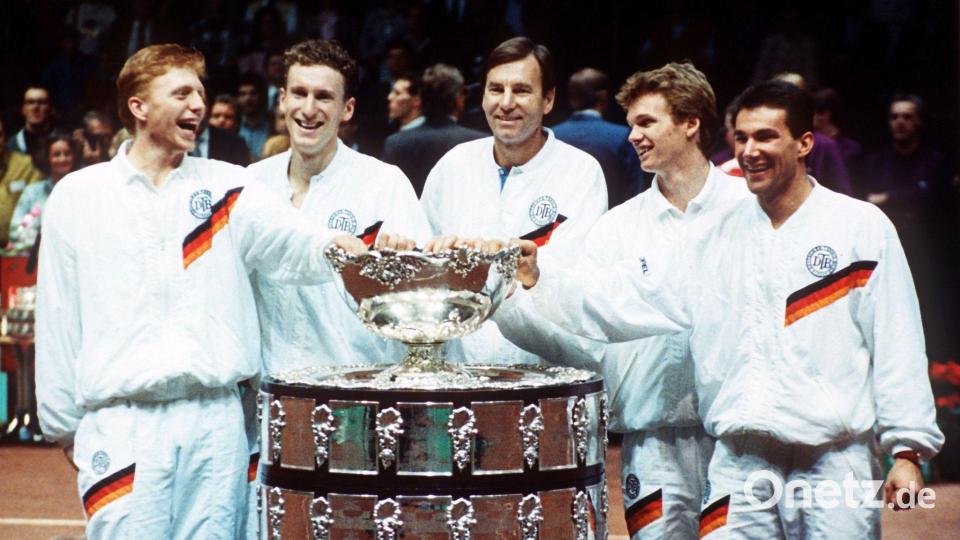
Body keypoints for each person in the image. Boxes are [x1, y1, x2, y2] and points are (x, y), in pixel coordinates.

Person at [509, 80, 943, 538]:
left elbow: (898, 340)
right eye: (742, 138)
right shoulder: (716, 234)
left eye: (766, 136)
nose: (750, 150)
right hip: (738, 459)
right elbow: (632, 302)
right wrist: (541, 279)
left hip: (835, 461)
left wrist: (907, 449)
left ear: (805, 143)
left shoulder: (859, 226)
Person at [34, 43, 368, 540]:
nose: (198, 105)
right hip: (122, 422)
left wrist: (341, 248)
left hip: (215, 420)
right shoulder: (80, 196)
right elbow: (58, 317)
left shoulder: (227, 188)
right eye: (182, 92)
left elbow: (294, 241)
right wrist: (64, 426)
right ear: (138, 106)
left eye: (201, 94)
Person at [489, 62, 748, 539]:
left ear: (690, 123)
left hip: (739, 443)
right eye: (630, 124)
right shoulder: (618, 227)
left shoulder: (748, 210)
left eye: (646, 123)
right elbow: (585, 333)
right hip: (651, 447)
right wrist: (520, 296)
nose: (632, 136)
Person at [248, 38, 430, 377]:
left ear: (347, 109)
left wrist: (402, 265)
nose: (308, 109)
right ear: (283, 99)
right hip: (269, 395)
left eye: (324, 97)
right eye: (299, 93)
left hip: (357, 395)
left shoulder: (383, 183)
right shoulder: (251, 186)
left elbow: (423, 301)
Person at [421, 36, 607, 365]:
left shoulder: (580, 173)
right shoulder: (453, 166)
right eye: (496, 89)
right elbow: (423, 275)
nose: (506, 103)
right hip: (461, 375)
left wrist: (500, 276)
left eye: (521, 90)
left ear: (548, 99)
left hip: (544, 373)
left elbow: (573, 290)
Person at [382, 63, 484, 196]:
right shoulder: (480, 143)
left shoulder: (395, 143)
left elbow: (386, 195)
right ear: (459, 99)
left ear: (421, 99)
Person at [552, 67, 647, 208]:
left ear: (572, 98)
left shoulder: (552, 135)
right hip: (611, 224)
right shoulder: (622, 137)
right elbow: (634, 195)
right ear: (604, 97)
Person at [7, 133, 80, 252]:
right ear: (47, 158)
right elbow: (16, 230)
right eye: (56, 154)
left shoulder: (82, 189)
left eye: (67, 153)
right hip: (37, 254)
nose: (63, 159)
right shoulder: (32, 192)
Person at [0, 116, 43, 246]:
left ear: (5, 137)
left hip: (16, 249)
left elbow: (36, 208)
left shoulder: (26, 165)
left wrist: (19, 240)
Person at [6, 84, 55, 156]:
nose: (35, 107)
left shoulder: (67, 143)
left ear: (51, 109)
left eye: (42, 102)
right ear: (23, 109)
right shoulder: (10, 147)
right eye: (30, 102)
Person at [236, 72, 271, 159]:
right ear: (237, 98)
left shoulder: (272, 124)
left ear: (261, 96)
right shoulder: (234, 125)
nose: (248, 99)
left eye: (253, 93)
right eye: (243, 94)